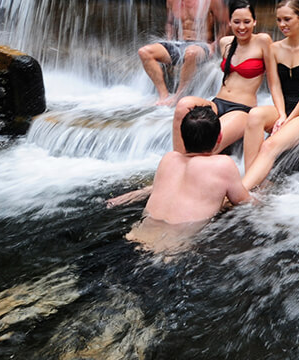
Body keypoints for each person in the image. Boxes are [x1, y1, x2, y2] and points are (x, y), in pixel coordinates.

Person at [106, 106, 251, 253]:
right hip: (174, 249)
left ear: (182, 137)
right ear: (219, 137)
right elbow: (244, 202)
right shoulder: (222, 164)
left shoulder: (168, 159)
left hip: (135, 238)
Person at [241, 0, 299, 191]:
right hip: (284, 107)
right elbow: (275, 86)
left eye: (287, 19)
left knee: (269, 145)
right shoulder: (275, 48)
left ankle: (240, 192)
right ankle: (255, 182)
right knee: (254, 115)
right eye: (279, 20)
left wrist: (288, 119)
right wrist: (281, 115)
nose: (282, 25)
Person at [172, 0, 273, 154]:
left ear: (254, 22)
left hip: (242, 110)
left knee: (208, 143)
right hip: (217, 103)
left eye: (247, 21)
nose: (242, 27)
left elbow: (274, 82)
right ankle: (178, 159)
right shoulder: (226, 42)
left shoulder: (262, 41)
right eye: (237, 22)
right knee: (183, 105)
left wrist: (283, 113)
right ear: (230, 23)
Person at [137, 0, 229, 106]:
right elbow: (170, 23)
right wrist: (168, 40)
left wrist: (214, 45)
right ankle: (164, 95)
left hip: (201, 45)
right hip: (178, 44)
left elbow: (226, 23)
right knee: (144, 51)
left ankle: (179, 95)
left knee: (191, 53)